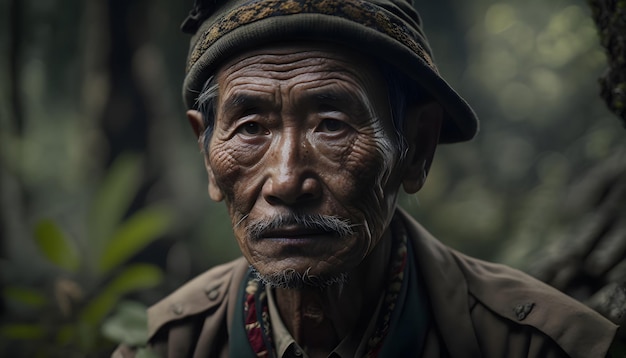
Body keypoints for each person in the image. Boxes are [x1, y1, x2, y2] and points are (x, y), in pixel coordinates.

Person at [114, 0, 618, 356]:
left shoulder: (544, 346)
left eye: (332, 125)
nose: (286, 180)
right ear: (208, 154)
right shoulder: (159, 348)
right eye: (250, 128)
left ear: (415, 147)